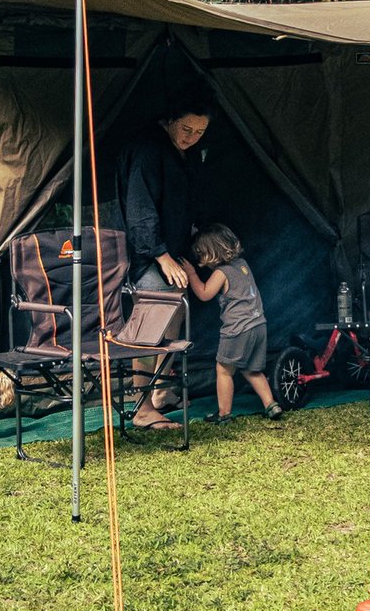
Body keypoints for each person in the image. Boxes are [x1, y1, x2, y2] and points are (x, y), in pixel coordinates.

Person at [115, 89, 213, 430]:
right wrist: (161, 255)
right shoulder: (147, 149)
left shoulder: (181, 151)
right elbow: (140, 210)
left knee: (173, 318)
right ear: (169, 120)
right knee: (152, 323)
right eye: (187, 129)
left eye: (200, 132)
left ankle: (159, 392)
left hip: (173, 250)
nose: (192, 137)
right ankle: (141, 406)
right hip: (147, 257)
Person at [187, 223, 283, 423]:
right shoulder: (242, 265)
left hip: (237, 329)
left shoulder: (221, 273)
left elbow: (205, 294)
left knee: (224, 370)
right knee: (251, 369)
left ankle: (224, 415)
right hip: (258, 325)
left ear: (211, 252)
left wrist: (192, 274)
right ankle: (271, 404)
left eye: (201, 252)